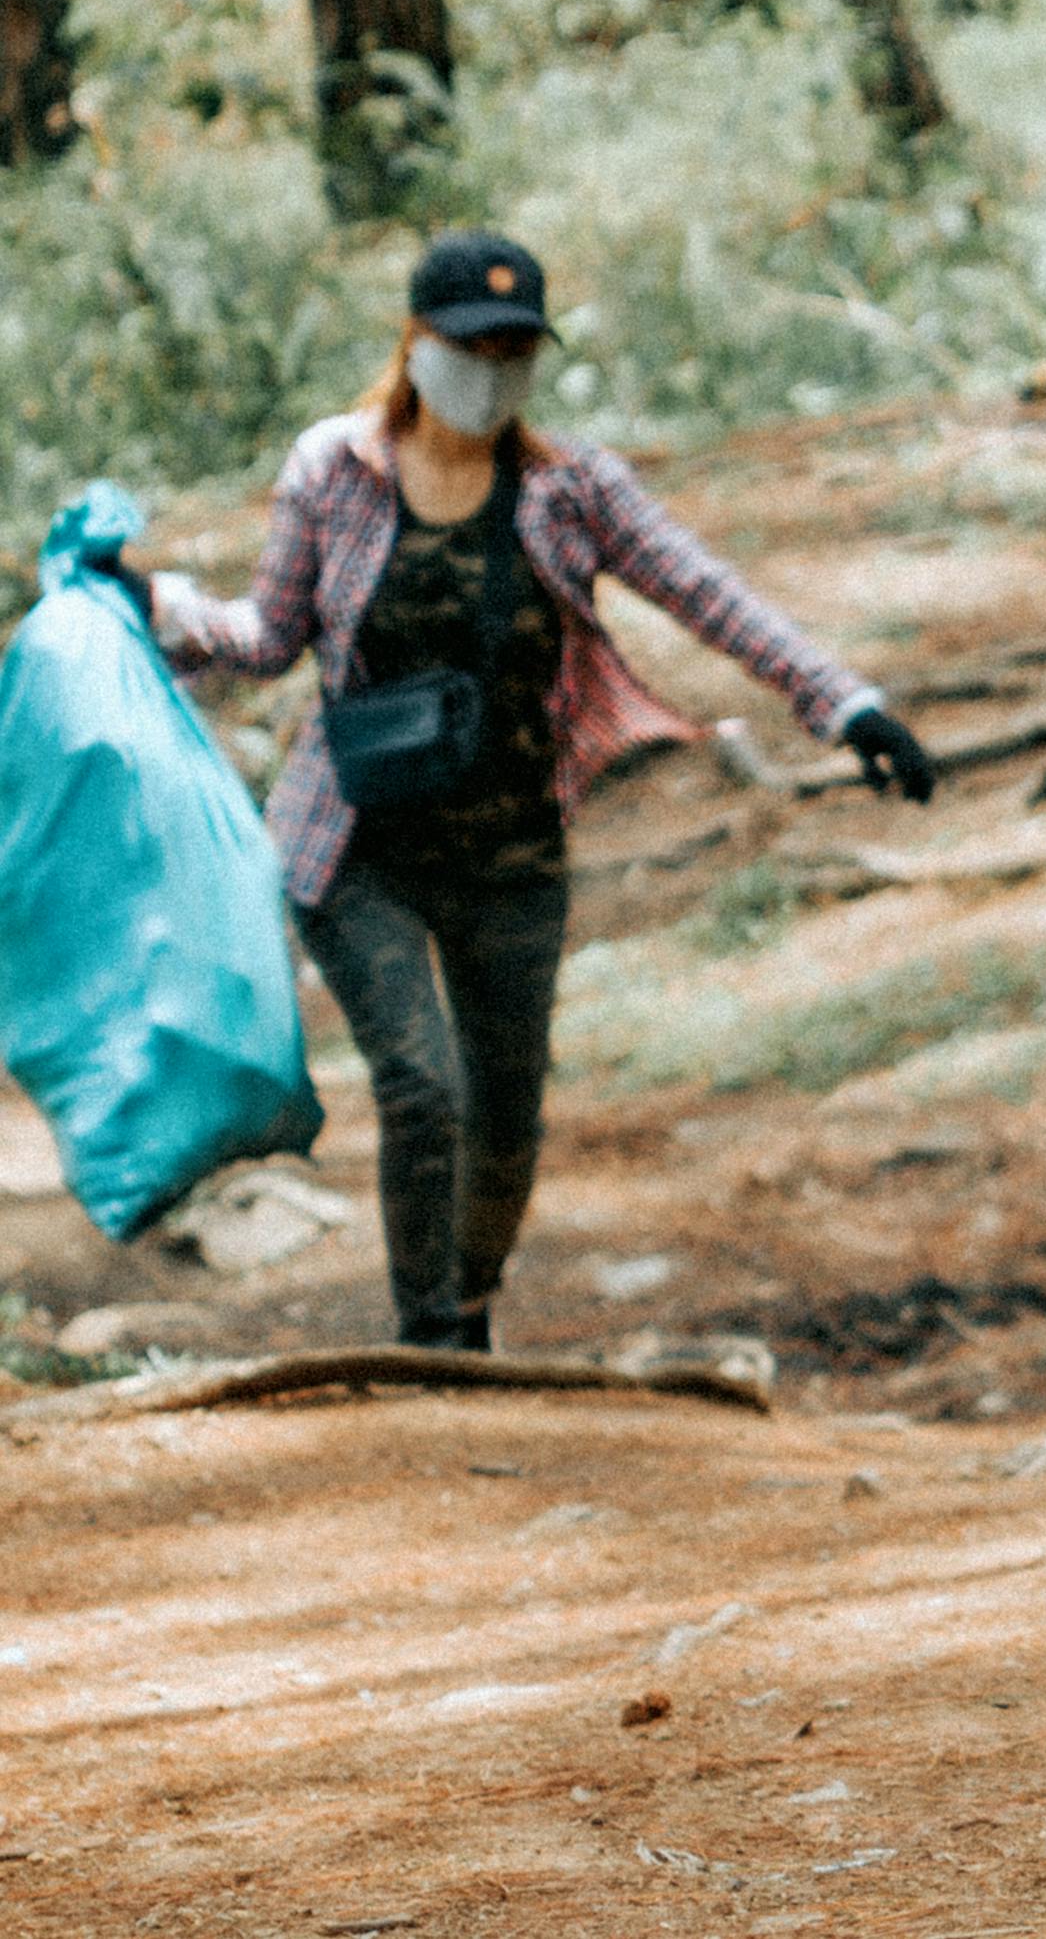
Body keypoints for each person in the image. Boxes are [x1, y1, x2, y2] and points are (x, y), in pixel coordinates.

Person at [151, 230, 940, 1352]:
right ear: (416, 342)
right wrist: (163, 619)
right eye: (471, 343)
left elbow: (706, 594)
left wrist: (845, 704)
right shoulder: (334, 469)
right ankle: (430, 1340)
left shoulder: (574, 489)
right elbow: (270, 636)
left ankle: (468, 1304)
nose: (492, 367)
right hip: (357, 845)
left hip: (512, 853)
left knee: (506, 1118)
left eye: (517, 346)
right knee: (425, 1089)